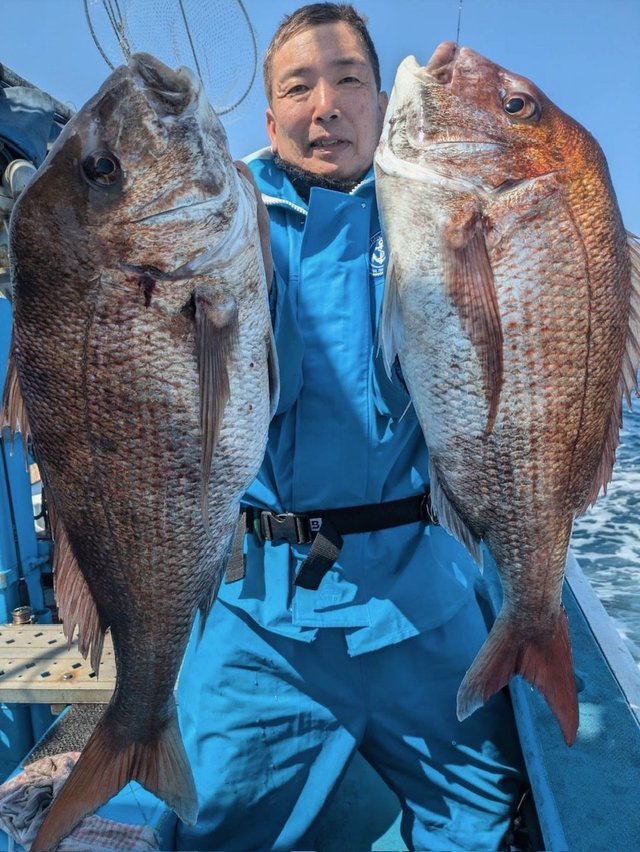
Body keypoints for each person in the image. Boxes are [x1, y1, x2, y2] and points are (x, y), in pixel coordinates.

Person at [176, 4, 526, 850]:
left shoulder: (436, 202)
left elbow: (531, 254)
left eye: (348, 81)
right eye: (299, 87)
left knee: (484, 816)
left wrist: (476, 115)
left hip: (423, 601)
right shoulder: (221, 217)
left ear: (383, 104)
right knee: (205, 816)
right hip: (260, 615)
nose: (325, 105)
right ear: (270, 120)